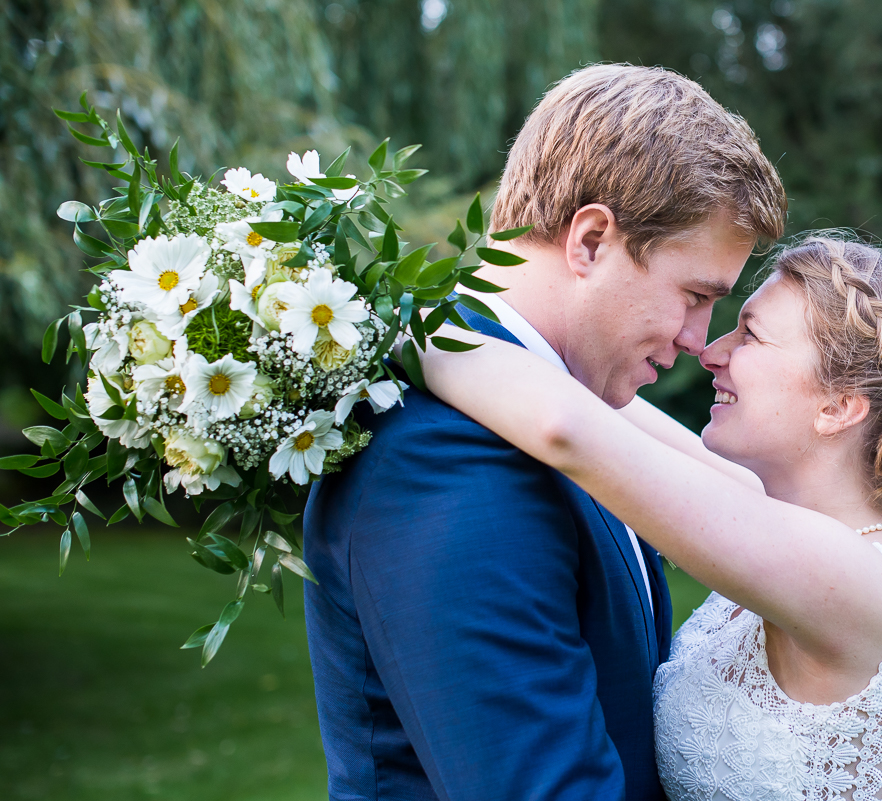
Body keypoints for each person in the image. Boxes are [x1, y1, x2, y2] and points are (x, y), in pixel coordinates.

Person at [417, 234, 882, 800]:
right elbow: (601, 400)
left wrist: (377, 331)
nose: (709, 350)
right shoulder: (781, 519)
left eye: (751, 336)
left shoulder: (854, 578)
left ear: (837, 407)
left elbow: (566, 431)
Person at [301, 64, 787, 800]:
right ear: (590, 239)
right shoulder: (444, 455)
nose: (699, 338)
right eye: (695, 295)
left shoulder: (568, 410)